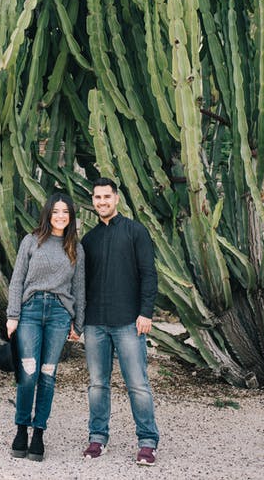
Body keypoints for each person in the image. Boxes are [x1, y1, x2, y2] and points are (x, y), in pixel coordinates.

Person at [81, 177, 159, 466]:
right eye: (97, 198)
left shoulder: (135, 231)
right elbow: (82, 283)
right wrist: (79, 321)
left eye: (107, 197)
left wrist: (146, 312)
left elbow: (149, 274)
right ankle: (97, 438)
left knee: (137, 384)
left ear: (117, 198)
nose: (102, 202)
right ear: (93, 201)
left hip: (129, 321)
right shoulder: (89, 240)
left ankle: (148, 442)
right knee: (97, 385)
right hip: (95, 323)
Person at [6, 192, 85, 461]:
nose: (60, 216)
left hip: (59, 316)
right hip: (29, 311)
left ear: (71, 216)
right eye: (56, 211)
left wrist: (79, 324)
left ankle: (38, 433)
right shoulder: (31, 241)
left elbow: (79, 289)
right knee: (28, 373)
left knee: (48, 375)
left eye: (65, 212)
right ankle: (21, 430)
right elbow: (17, 280)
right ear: (48, 214)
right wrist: (12, 315)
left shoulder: (75, 247)